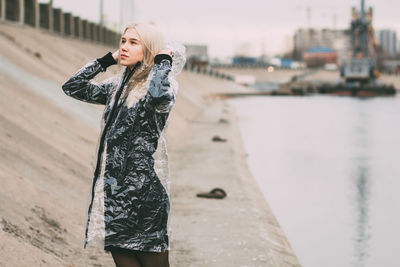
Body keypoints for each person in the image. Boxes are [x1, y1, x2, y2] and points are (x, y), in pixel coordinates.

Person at [62, 23, 185, 267]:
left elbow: (159, 95)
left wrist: (162, 61)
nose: (124, 47)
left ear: (149, 49)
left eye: (133, 42)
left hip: (144, 196)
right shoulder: (115, 86)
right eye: (123, 41)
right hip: (114, 194)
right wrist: (107, 60)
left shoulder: (162, 85)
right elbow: (72, 87)